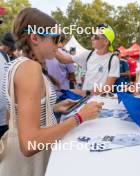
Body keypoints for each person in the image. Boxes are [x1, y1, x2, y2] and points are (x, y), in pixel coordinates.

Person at [0, 8, 103, 175]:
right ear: (35, 37)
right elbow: (29, 144)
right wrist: (80, 117)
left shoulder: (16, 64)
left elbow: (13, 113)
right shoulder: (30, 68)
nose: (60, 45)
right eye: (56, 38)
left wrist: (52, 107)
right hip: (27, 164)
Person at [55, 24, 120, 95]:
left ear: (106, 42)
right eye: (92, 35)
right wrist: (52, 43)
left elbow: (107, 88)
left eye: (96, 37)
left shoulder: (113, 59)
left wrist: (83, 92)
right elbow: (63, 59)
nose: (92, 38)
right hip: (84, 100)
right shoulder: (88, 54)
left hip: (100, 102)